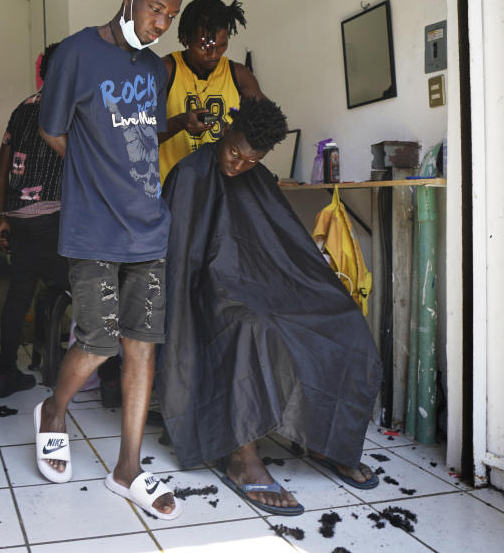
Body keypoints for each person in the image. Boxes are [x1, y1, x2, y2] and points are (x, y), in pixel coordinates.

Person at [35, 0, 200, 520]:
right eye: (156, 9)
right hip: (93, 227)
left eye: (170, 16)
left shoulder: (156, 71)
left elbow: (140, 136)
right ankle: (54, 410)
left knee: (142, 348)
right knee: (100, 340)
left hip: (148, 227)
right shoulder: (76, 54)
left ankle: (127, 468)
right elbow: (54, 131)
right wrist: (93, 177)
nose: (161, 24)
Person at [159, 97, 382, 516]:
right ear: (226, 133)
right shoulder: (190, 174)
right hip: (210, 290)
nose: (238, 165)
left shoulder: (257, 178)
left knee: (344, 318)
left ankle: (328, 440)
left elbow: (285, 247)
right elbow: (180, 258)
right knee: (251, 325)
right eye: (234, 153)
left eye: (250, 160)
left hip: (264, 285)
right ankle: (242, 457)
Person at [0, 42, 68, 398]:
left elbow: (1, 165)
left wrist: (3, 215)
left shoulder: (23, 108)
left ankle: (5, 372)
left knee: (19, 293)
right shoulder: (67, 108)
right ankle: (56, 364)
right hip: (54, 217)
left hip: (20, 217)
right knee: (66, 288)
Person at [158, 0, 265, 184]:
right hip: (173, 189)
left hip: (221, 191)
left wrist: (240, 134)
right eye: (204, 47)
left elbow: (269, 127)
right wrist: (180, 122)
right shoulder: (166, 71)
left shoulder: (239, 75)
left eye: (221, 46)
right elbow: (138, 136)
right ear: (185, 39)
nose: (214, 54)